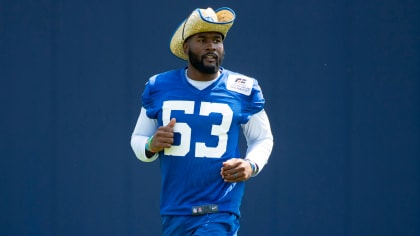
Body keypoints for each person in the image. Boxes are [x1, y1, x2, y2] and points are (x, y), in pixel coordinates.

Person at [130, 7, 273, 236]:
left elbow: (262, 138)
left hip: (218, 209)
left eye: (217, 40)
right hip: (174, 211)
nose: (211, 46)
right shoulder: (159, 86)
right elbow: (137, 139)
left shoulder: (243, 88)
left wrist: (251, 164)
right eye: (203, 39)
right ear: (186, 47)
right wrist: (151, 145)